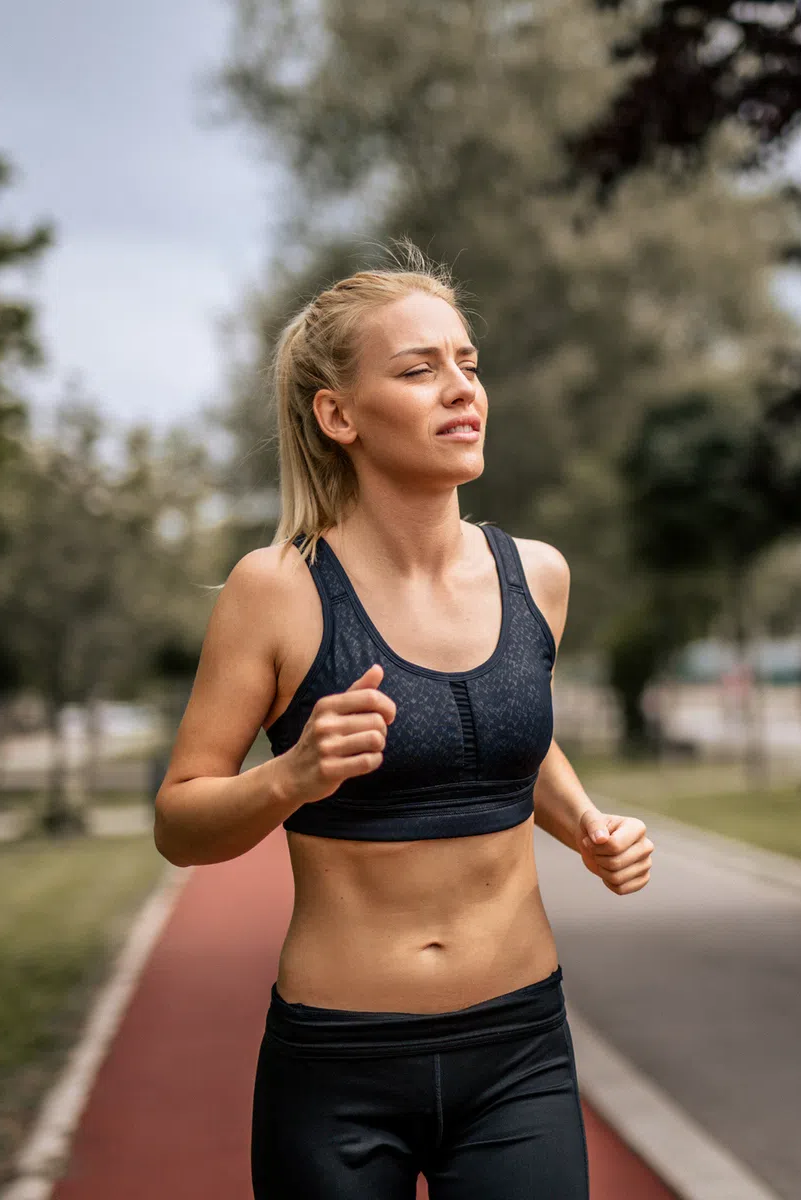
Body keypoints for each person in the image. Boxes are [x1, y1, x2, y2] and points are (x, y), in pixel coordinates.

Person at [153, 247, 655, 1199]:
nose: (460, 389)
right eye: (419, 370)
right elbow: (178, 821)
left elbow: (511, 732)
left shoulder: (536, 576)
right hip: (340, 1064)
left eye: (467, 363)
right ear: (338, 415)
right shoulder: (277, 591)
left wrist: (588, 824)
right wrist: (290, 776)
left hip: (520, 1049)